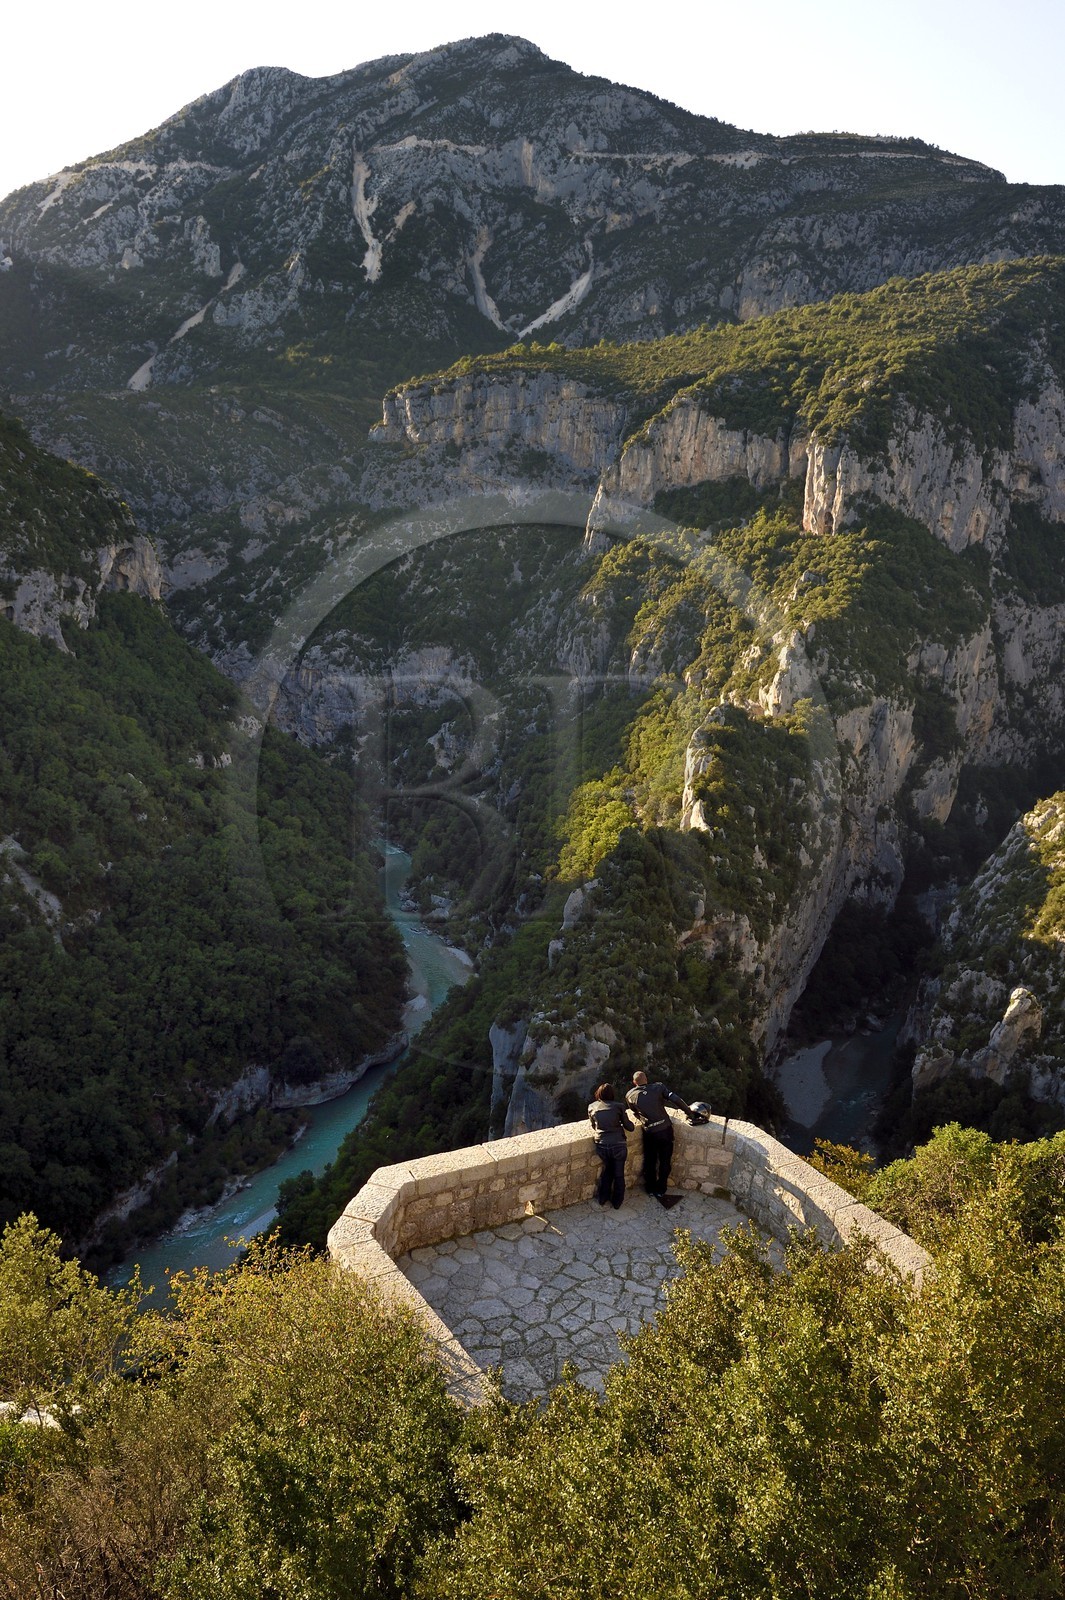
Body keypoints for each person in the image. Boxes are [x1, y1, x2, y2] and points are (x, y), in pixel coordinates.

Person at [626, 1070, 697, 1201]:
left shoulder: (630, 1095)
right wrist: (689, 1111)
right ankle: (661, 1189)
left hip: (650, 1132)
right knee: (665, 1160)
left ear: (634, 1083)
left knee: (650, 1160)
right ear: (646, 1079)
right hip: (665, 1129)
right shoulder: (658, 1087)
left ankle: (650, 1189)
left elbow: (634, 1111)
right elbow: (675, 1099)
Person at [587, 1082, 635, 1210]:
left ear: (598, 1094)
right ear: (612, 1094)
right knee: (618, 1174)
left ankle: (603, 1198)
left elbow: (594, 1126)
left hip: (601, 1145)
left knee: (607, 1171)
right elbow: (629, 1127)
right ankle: (617, 1202)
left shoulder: (591, 1107)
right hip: (618, 1146)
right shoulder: (619, 1106)